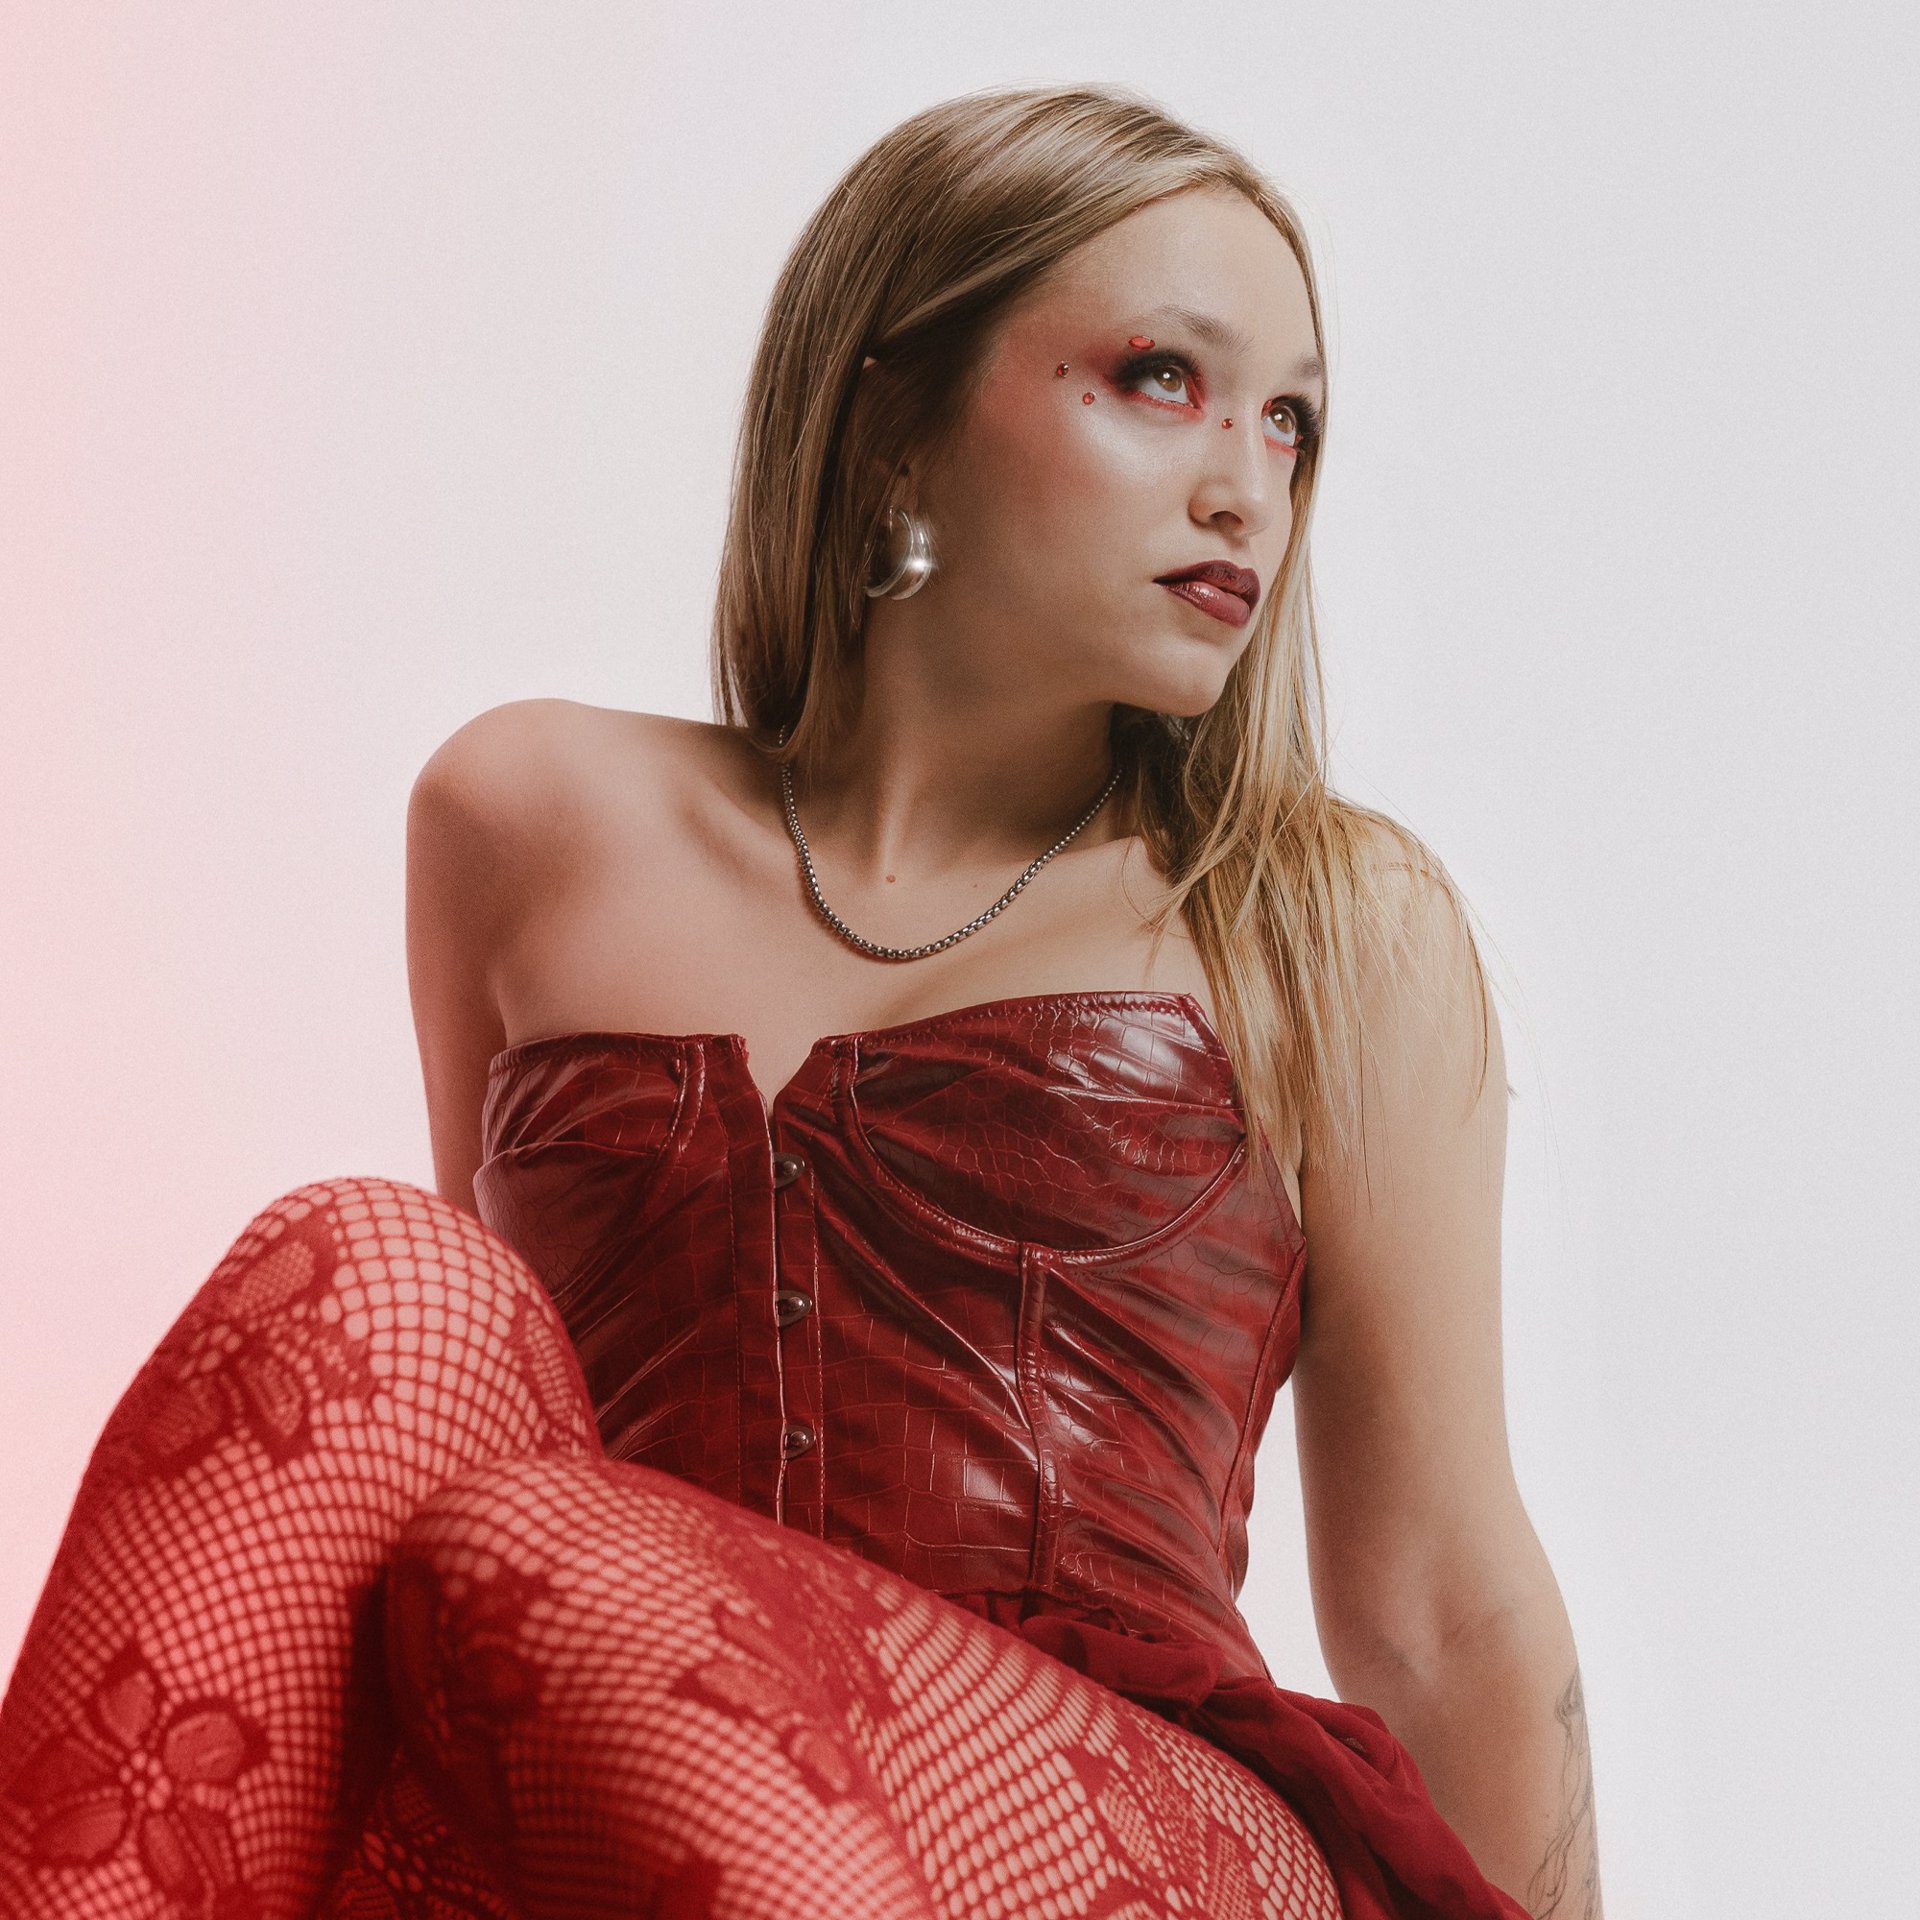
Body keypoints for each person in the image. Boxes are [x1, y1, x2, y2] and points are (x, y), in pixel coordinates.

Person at [0, 82, 1601, 1920]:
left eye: (1292, 419)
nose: (1250, 483)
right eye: (1163, 378)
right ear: (894, 421)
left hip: (1132, 1822)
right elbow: (454, 1435)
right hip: (627, 1767)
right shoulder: (530, 824)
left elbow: (1440, 1598)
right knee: (384, 1276)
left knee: (547, 1540)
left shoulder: (1318, 917)